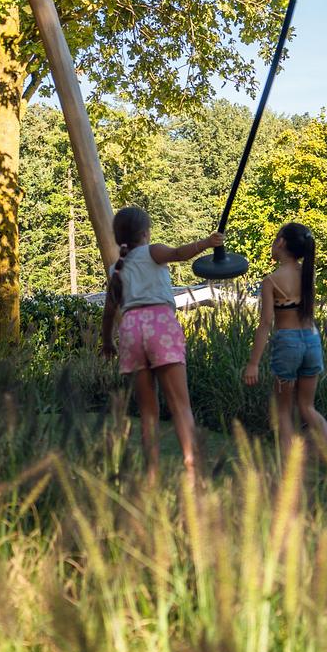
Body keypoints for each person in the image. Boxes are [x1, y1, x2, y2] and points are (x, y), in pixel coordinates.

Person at [102, 206, 223, 480]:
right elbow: (180, 254)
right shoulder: (152, 251)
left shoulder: (115, 269)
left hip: (131, 329)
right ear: (145, 233)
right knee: (180, 406)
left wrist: (107, 342)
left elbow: (109, 311)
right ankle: (193, 471)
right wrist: (207, 242)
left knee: (148, 413)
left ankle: (151, 476)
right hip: (160, 325)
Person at [243, 222, 327, 462]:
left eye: (275, 239)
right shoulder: (308, 274)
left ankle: (289, 468)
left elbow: (266, 323)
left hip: (288, 344)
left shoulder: (271, 281)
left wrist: (253, 363)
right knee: (307, 408)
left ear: (281, 242)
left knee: (283, 411)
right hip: (312, 341)